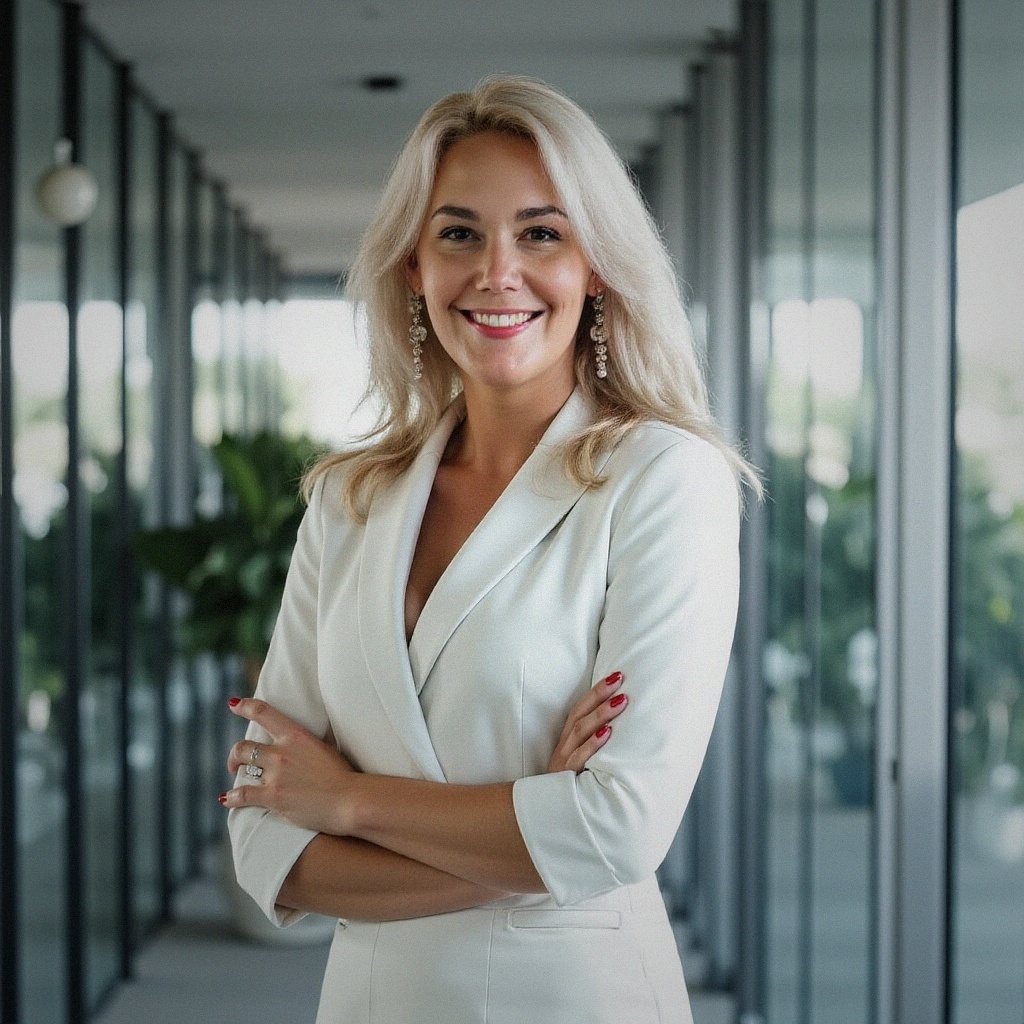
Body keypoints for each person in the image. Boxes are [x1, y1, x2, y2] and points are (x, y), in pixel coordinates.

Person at [223, 75, 757, 1024]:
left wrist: (346, 802)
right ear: (413, 270)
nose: (496, 272)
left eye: (542, 233)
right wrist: (526, 834)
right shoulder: (348, 500)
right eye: (459, 233)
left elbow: (615, 831)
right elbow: (266, 846)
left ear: (597, 266)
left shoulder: (663, 480)